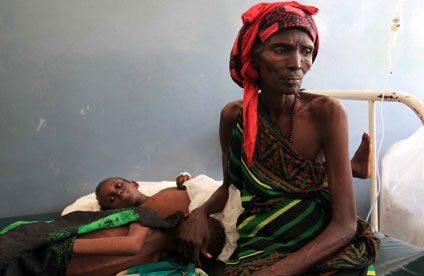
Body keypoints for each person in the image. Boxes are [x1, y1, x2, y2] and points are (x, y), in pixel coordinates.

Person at [179, 2, 379, 276]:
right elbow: (229, 186)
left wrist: (276, 272)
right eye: (282, 49)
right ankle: (353, 167)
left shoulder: (327, 112)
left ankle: (352, 167)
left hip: (321, 237)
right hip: (262, 238)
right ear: (254, 56)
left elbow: (345, 226)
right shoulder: (232, 117)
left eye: (306, 51)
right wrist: (199, 213)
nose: (297, 63)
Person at [0, 176, 225, 276]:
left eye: (199, 246)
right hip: (49, 249)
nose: (193, 241)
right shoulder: (148, 218)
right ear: (186, 219)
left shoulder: (165, 262)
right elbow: (131, 245)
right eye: (197, 236)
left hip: (49, 269)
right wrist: (57, 246)